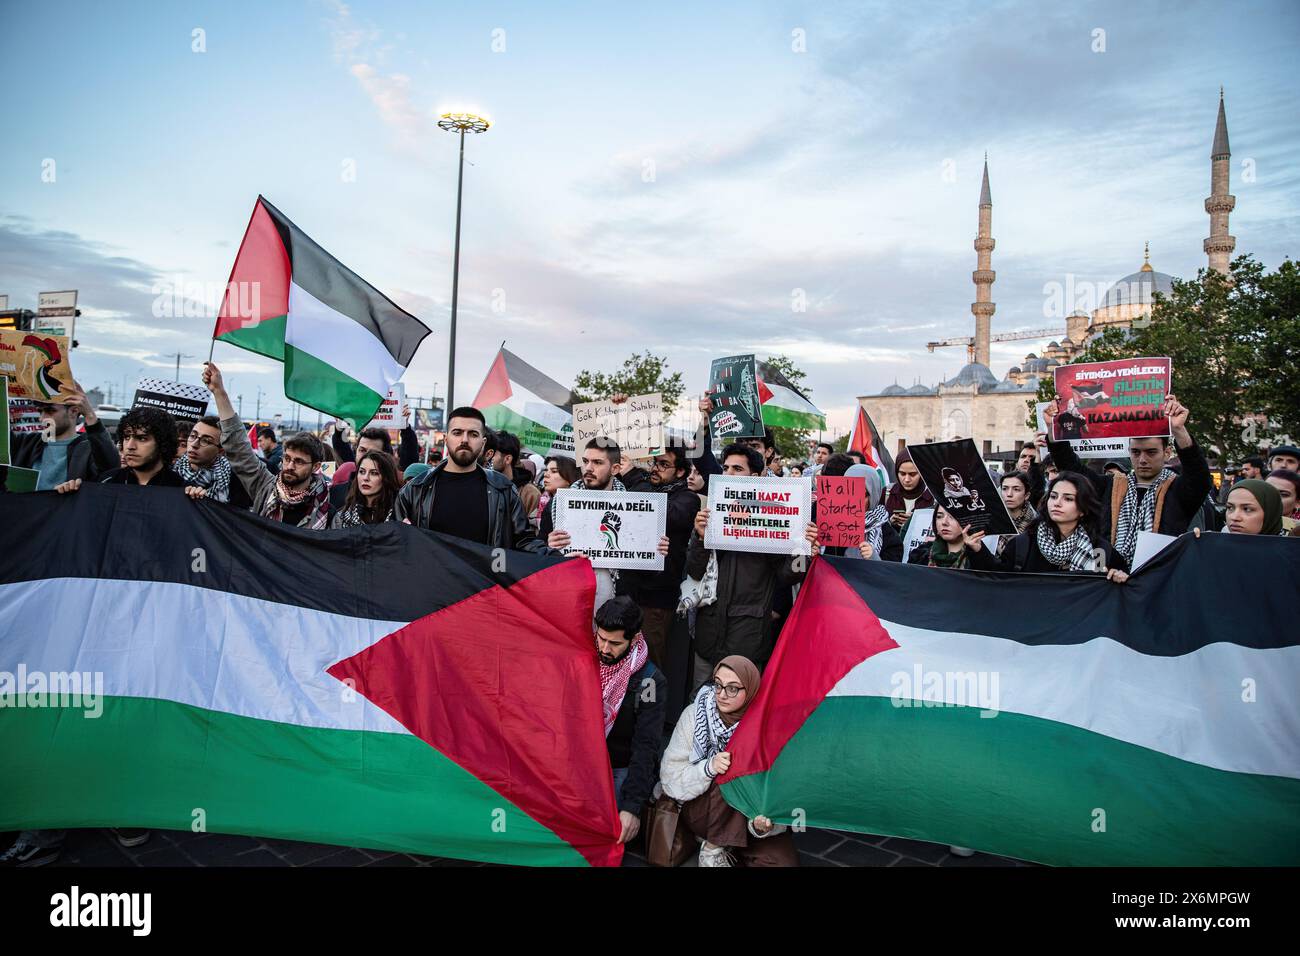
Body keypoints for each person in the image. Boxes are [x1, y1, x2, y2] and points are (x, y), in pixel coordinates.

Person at [686, 444, 816, 679]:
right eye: (725, 468)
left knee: (742, 708)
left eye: (737, 469)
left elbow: (788, 575)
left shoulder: (773, 517)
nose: (728, 474)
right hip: (708, 635)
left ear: (755, 477)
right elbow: (695, 571)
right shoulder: (712, 516)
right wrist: (699, 537)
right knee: (699, 699)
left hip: (747, 638)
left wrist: (803, 551)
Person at [660, 655, 797, 867]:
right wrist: (708, 768)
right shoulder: (695, 714)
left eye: (733, 688)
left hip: (748, 817)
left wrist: (762, 825)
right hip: (701, 809)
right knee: (732, 765)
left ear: (750, 689)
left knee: (782, 862)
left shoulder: (765, 726)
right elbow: (669, 777)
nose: (722, 695)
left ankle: (730, 843)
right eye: (718, 685)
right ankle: (713, 848)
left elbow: (780, 790)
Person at [1045, 392, 1211, 566]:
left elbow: (1199, 477)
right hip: (1109, 577)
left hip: (1160, 579)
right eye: (1136, 452)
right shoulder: (1110, 485)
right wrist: (1053, 428)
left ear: (1167, 453)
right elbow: (1072, 468)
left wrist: (1178, 429)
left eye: (1151, 452)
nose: (1143, 459)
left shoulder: (1178, 490)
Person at [395, 406, 546, 551]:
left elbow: (524, 542)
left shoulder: (503, 489)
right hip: (431, 576)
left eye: (473, 434)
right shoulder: (416, 489)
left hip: (485, 576)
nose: (465, 440)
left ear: (483, 442)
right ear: (446, 439)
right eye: (457, 433)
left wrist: (555, 554)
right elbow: (392, 540)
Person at [200, 363, 333, 527]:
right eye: (287, 458)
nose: (290, 466)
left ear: (315, 466)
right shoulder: (265, 487)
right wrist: (219, 392)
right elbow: (238, 448)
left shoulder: (327, 507)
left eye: (298, 461)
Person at [595, 597, 666, 845]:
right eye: (601, 638)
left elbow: (646, 747)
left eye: (614, 643)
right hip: (582, 760)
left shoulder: (650, 681)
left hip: (618, 766)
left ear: (634, 639)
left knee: (605, 834)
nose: (604, 649)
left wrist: (632, 807)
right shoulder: (585, 660)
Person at [970, 472, 1130, 581]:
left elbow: (1107, 584)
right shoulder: (1024, 544)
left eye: (1068, 499)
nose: (1057, 503)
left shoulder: (1099, 550)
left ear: (1083, 509)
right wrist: (978, 551)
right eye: (1053, 496)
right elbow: (998, 577)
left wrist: (1118, 576)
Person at [7, 380, 118, 489]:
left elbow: (111, 468)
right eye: (40, 411)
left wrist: (90, 415)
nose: (42, 418)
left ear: (74, 411)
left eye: (50, 411)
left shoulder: (89, 449)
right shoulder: (26, 443)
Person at [55, 406, 187, 492]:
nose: (130, 446)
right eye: (126, 437)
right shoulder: (105, 482)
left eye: (141, 439)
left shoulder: (181, 490)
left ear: (163, 443)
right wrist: (70, 495)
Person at [330, 425, 414, 511]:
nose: (366, 456)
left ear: (385, 456)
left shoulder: (400, 501)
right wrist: (339, 429)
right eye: (362, 450)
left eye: (373, 452)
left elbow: (409, 459)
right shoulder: (336, 494)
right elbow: (341, 446)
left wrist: (405, 427)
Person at [173, 414, 249, 507]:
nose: (194, 444)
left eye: (206, 441)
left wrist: (207, 503)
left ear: (220, 451)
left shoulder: (235, 481)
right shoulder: (169, 472)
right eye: (193, 436)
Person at [331, 450, 400, 527]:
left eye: (374, 473)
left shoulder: (400, 515)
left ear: (387, 478)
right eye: (362, 472)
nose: (365, 478)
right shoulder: (342, 518)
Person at [907, 505, 984, 569]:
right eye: (939, 516)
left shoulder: (977, 555)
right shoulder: (921, 554)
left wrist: (979, 553)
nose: (944, 522)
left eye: (952, 517)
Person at [884, 448, 934, 530]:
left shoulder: (933, 496)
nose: (907, 479)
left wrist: (917, 522)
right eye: (902, 474)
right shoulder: (887, 493)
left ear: (921, 473)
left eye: (912, 474)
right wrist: (889, 522)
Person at [996, 470, 1037, 557]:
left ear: (1027, 495)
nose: (1009, 494)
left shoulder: (1035, 525)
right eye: (1005, 489)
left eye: (1016, 489)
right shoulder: (993, 519)